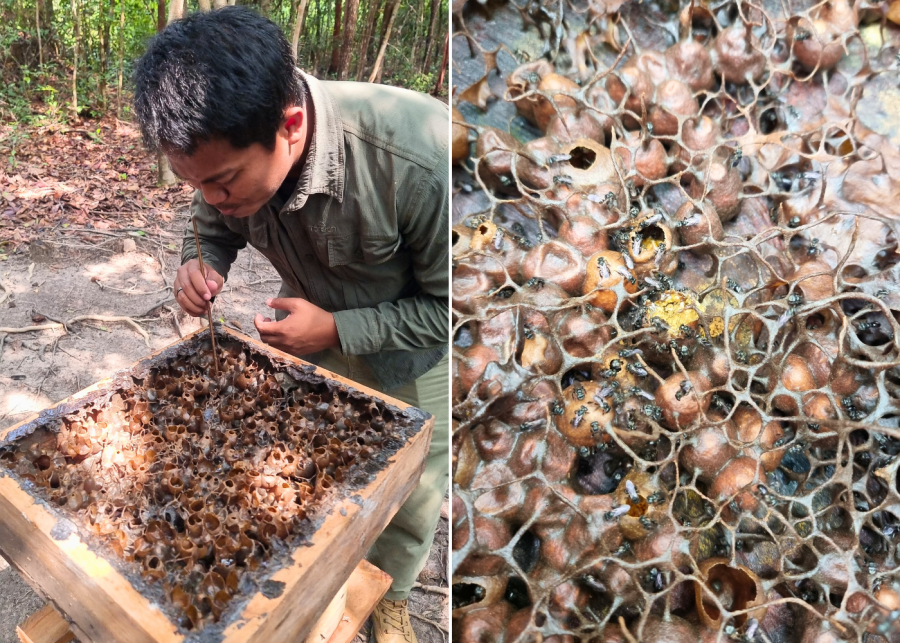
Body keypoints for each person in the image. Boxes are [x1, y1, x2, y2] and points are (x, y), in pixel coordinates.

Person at [132, 8, 449, 643]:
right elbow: (211, 222)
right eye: (196, 182)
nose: (212, 196)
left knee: (408, 492)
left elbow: (453, 309)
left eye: (222, 182)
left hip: (415, 346)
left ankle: (391, 593)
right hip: (303, 327)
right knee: (302, 468)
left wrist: (336, 330)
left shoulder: (422, 157)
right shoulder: (224, 151)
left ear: (291, 125)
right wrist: (199, 260)